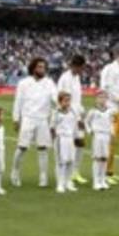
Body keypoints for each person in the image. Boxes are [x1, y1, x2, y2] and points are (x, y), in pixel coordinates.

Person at [11, 57, 57, 187]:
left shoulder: (49, 82)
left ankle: (43, 176)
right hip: (28, 118)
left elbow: (55, 97)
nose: (42, 69)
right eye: (39, 67)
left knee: (43, 148)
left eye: (43, 67)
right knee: (22, 147)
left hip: (43, 119)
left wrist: (59, 103)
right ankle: (15, 172)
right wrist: (16, 119)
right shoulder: (24, 83)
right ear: (33, 68)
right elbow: (18, 102)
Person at [98, 47, 119, 184]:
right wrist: (118, 100)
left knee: (114, 142)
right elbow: (105, 88)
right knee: (109, 141)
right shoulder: (109, 69)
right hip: (110, 108)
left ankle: (110, 171)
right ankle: (104, 173)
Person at [56, 55, 89, 186]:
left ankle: (75, 172)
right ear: (76, 66)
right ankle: (65, 175)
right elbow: (62, 98)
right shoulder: (65, 78)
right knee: (70, 145)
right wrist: (74, 116)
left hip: (76, 114)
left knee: (80, 142)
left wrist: (81, 112)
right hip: (68, 116)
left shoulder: (77, 78)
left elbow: (77, 99)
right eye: (82, 68)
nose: (82, 70)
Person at [84, 93, 117, 190]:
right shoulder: (93, 111)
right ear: (96, 99)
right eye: (100, 98)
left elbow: (111, 123)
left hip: (106, 135)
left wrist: (113, 133)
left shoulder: (110, 111)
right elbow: (86, 122)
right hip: (98, 135)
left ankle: (102, 180)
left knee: (104, 158)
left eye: (104, 98)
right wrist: (90, 131)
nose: (102, 100)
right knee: (97, 158)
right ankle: (96, 181)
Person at [52, 91, 81, 194]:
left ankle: (68, 182)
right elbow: (52, 127)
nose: (67, 103)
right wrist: (54, 139)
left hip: (70, 139)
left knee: (71, 160)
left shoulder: (72, 112)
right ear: (60, 102)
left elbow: (75, 126)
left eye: (69, 100)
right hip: (61, 138)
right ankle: (60, 183)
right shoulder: (56, 112)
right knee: (61, 161)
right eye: (65, 101)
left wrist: (77, 137)